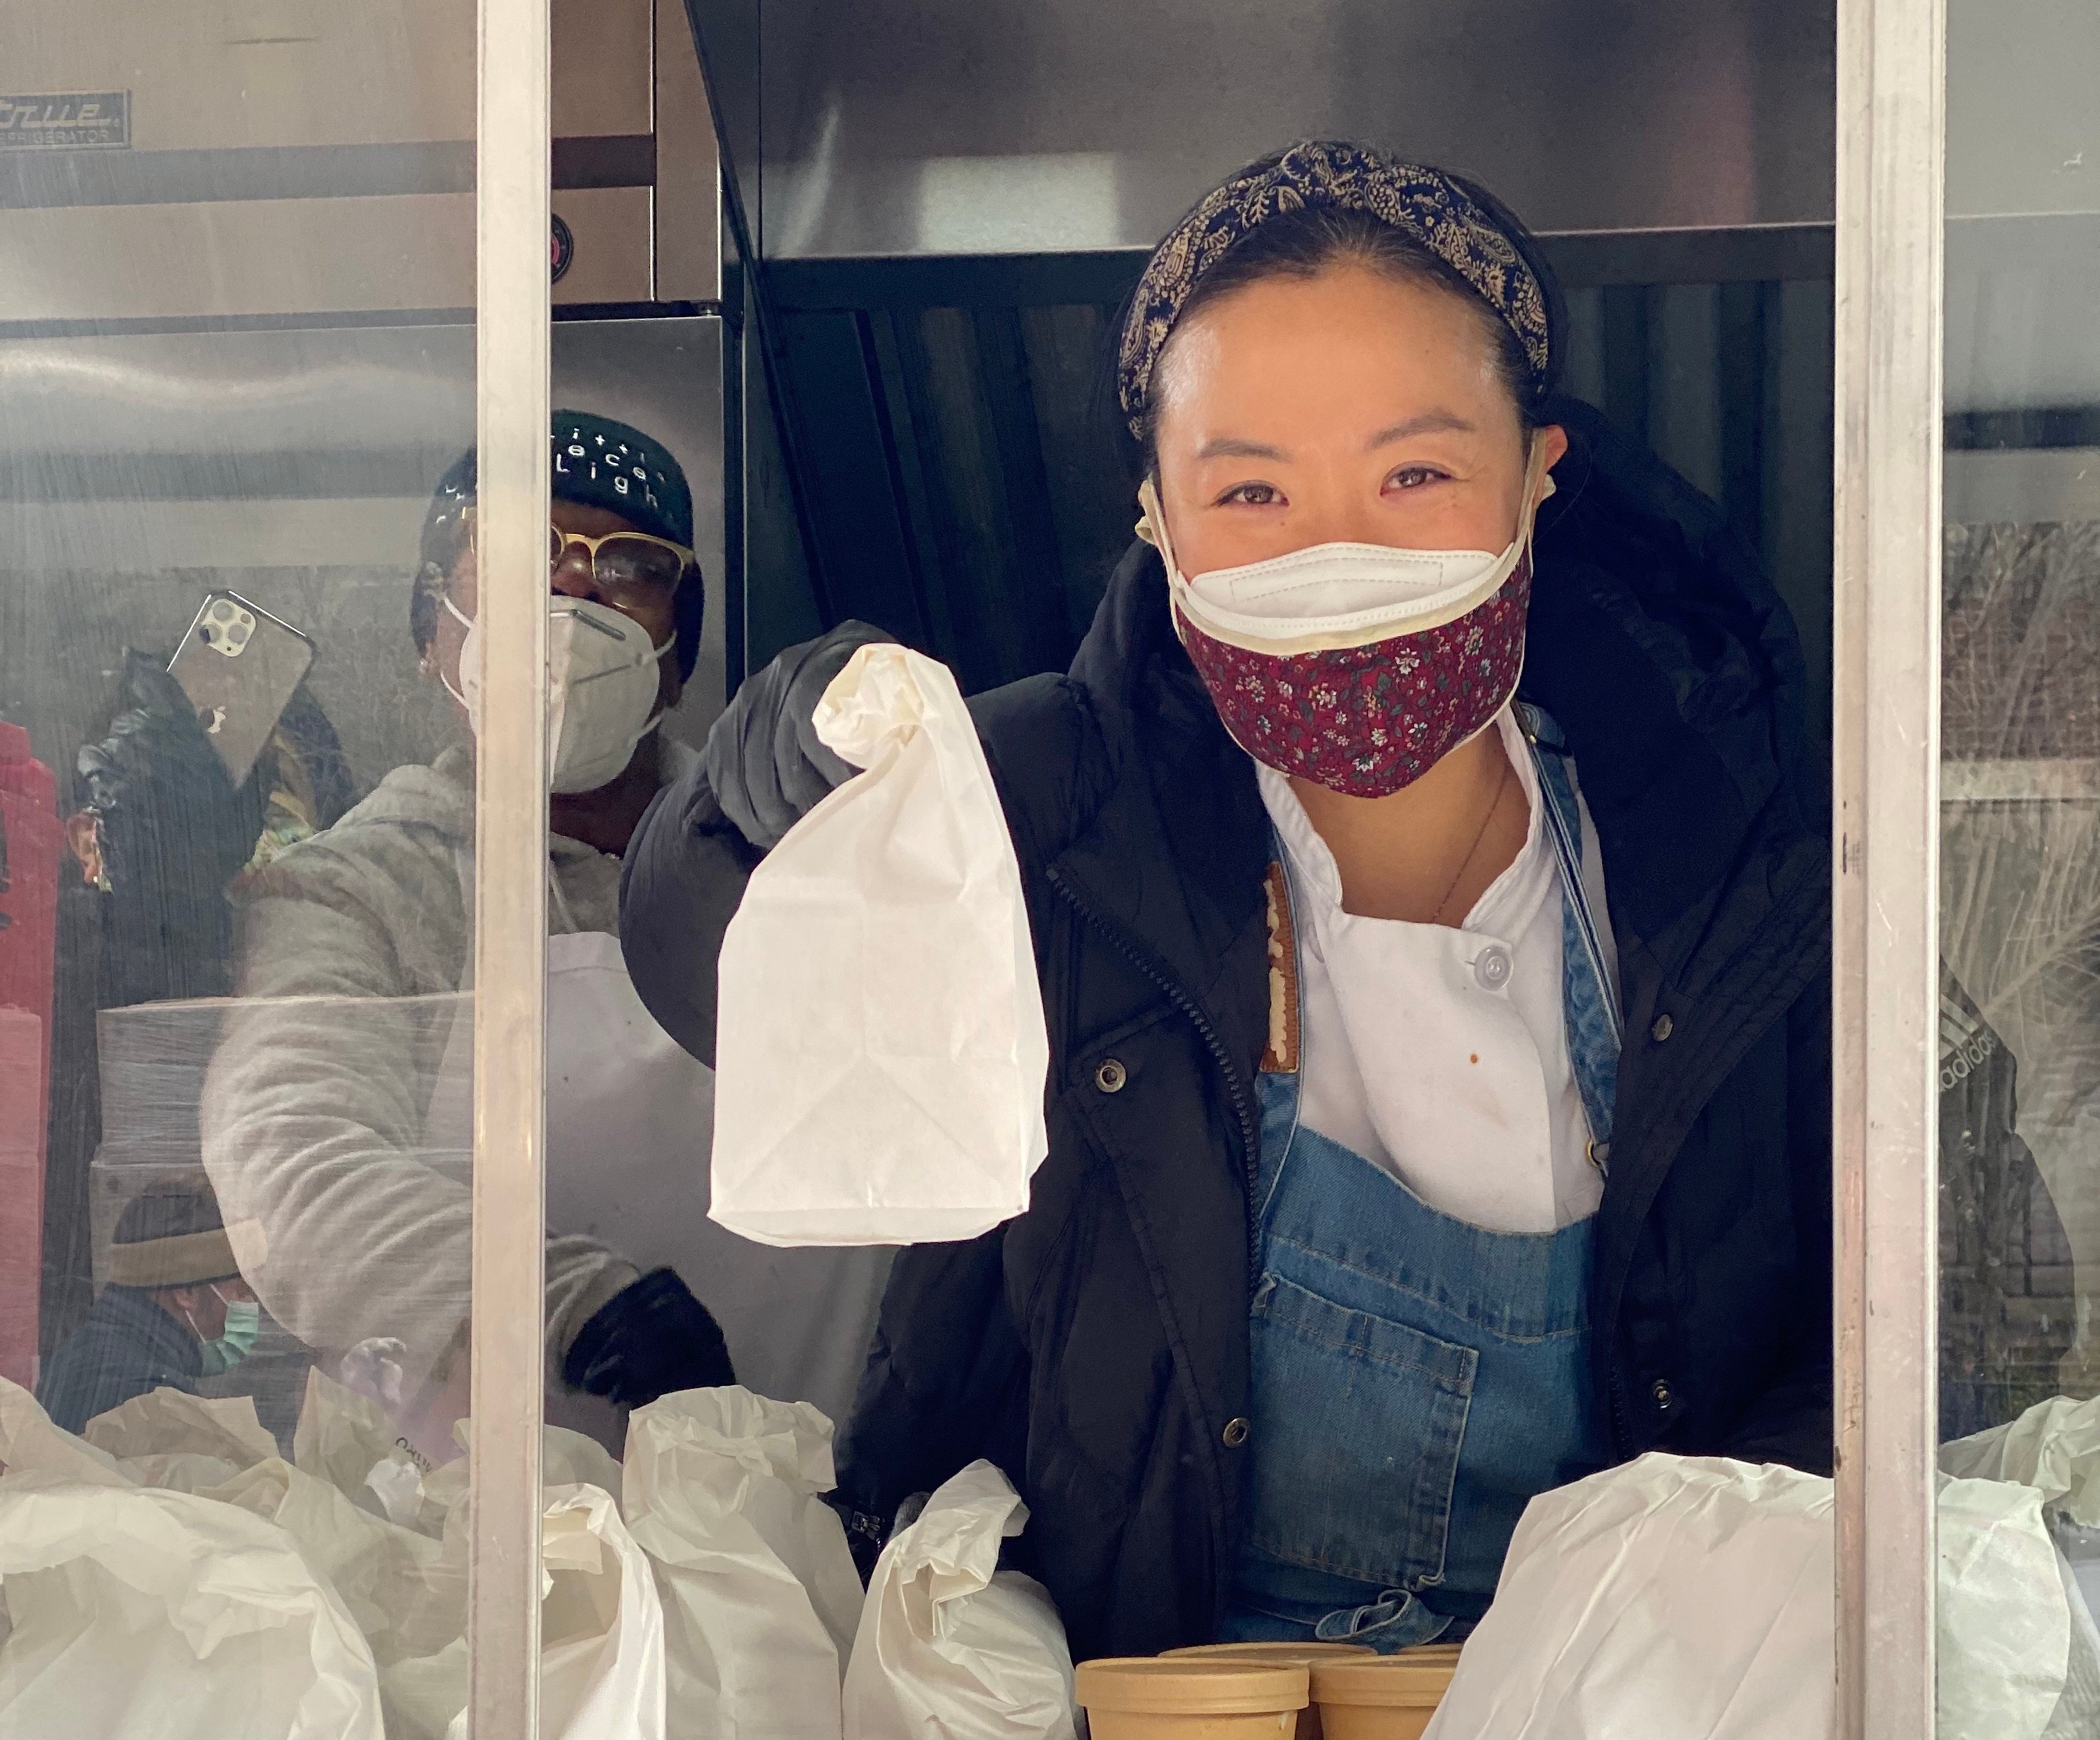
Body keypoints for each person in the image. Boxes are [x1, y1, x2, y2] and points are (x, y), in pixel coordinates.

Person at [622, 142, 1831, 1655]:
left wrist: (1718, 1623)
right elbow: (711, 965)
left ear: (1539, 473)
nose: (1338, 554)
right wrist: (759, 798)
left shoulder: (1723, 844)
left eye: (1416, 474)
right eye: (1251, 489)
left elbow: (1893, 1306)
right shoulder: (1054, 800)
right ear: (1158, 518)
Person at [201, 412, 890, 1457]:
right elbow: (289, 1163)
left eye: (630, 567)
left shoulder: (795, 862)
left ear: (674, 653)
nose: (572, 589)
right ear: (437, 636)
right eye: (519, 558)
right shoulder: (368, 885)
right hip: (473, 1552)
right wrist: (578, 1306)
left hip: (800, 1520)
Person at [36, 1177, 258, 1437]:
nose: (250, 1306)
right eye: (241, 1291)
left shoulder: (93, 1355)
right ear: (185, 1292)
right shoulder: (149, 1399)